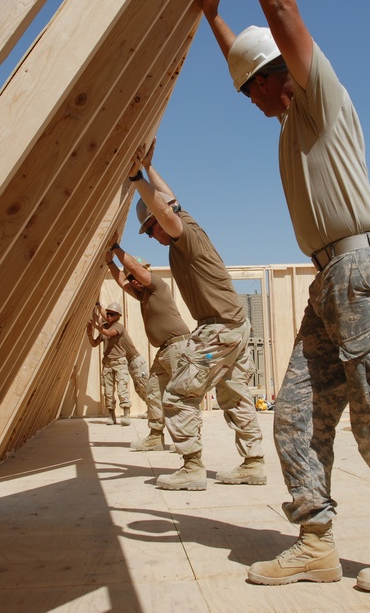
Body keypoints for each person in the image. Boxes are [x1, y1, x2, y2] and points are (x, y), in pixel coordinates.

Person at [196, 0, 370, 593]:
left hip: (364, 271)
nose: (250, 101)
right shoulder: (288, 123)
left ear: (279, 74)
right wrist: (210, 18)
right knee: (295, 417)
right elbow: (247, 59)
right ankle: (316, 543)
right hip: (331, 282)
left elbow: (280, 8)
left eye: (253, 87)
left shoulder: (317, 94)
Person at [129, 140, 265, 491]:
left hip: (217, 332)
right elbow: (170, 199)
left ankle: (191, 468)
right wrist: (149, 169)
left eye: (150, 228)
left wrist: (134, 177)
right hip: (234, 327)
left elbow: (167, 210)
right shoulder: (185, 227)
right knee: (234, 393)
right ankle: (254, 463)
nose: (152, 236)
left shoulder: (182, 234)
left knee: (177, 393)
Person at [104, 242, 191, 452]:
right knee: (152, 390)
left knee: (181, 395)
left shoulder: (157, 286)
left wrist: (116, 248)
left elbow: (134, 270)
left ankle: (187, 442)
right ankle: (155, 436)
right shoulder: (142, 295)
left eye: (138, 275)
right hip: (164, 351)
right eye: (132, 278)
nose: (134, 280)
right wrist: (109, 262)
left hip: (178, 346)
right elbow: (123, 282)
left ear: (147, 273)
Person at [86, 301, 133, 426]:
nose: (109, 316)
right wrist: (90, 333)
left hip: (119, 362)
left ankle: (126, 414)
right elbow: (94, 344)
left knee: (122, 389)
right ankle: (111, 415)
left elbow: (109, 333)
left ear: (118, 316)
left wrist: (97, 326)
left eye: (112, 314)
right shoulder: (104, 327)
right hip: (107, 364)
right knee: (108, 391)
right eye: (108, 313)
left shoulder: (118, 327)